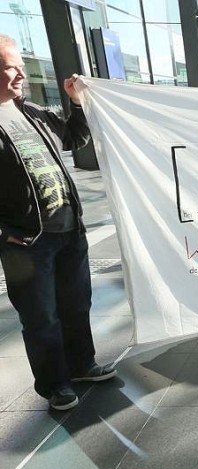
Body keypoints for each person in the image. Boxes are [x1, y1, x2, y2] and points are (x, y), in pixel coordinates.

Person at [0, 34, 117, 410]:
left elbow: (73, 136)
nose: (20, 73)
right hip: (28, 243)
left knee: (76, 302)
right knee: (41, 317)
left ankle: (82, 365)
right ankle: (55, 385)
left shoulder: (30, 111)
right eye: (9, 66)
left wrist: (76, 103)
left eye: (19, 65)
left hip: (68, 230)